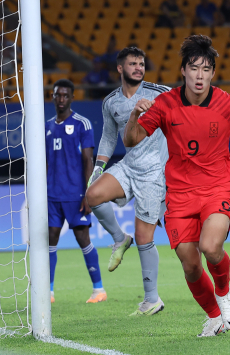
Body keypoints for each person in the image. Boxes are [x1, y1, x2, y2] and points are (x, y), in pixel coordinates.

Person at [124, 35, 230, 337]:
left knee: (211, 247)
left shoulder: (227, 103)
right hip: (180, 195)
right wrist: (134, 114)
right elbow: (131, 140)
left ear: (213, 73)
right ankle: (214, 317)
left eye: (206, 69)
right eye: (194, 68)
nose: (200, 76)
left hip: (216, 188)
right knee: (190, 264)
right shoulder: (165, 104)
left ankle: (224, 295)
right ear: (183, 70)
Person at [85, 47, 171, 316]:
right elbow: (109, 137)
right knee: (93, 194)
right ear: (120, 68)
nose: (138, 67)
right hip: (129, 165)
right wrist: (98, 167)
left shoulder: (161, 94)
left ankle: (151, 300)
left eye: (142, 63)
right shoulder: (111, 102)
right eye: (133, 63)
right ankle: (120, 238)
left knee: (146, 237)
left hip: (154, 173)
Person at [46, 79, 105, 304]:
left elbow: (87, 159)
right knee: (50, 240)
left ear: (71, 98)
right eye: (57, 95)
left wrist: (88, 193)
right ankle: (48, 292)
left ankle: (98, 289)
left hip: (75, 195)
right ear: (52, 97)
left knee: (83, 238)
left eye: (65, 95)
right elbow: (45, 163)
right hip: (52, 195)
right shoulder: (47, 126)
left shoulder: (82, 124)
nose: (61, 99)